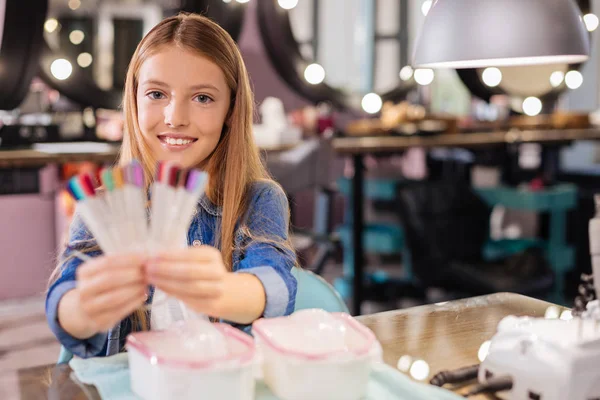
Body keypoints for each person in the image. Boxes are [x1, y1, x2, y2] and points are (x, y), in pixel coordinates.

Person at [46, 13, 298, 358]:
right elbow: (63, 304)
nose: (175, 117)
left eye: (203, 98)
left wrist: (220, 291)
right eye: (156, 94)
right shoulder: (103, 207)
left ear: (230, 109)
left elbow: (275, 287)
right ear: (133, 101)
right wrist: (84, 309)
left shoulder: (257, 200)